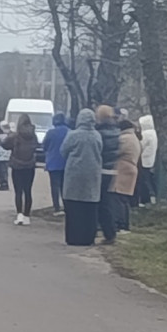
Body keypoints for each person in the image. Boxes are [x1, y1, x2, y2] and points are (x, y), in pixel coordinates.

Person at [61, 109, 104, 246]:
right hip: (93, 174)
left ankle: (74, 237)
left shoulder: (73, 135)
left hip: (74, 174)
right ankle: (88, 237)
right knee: (90, 207)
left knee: (74, 207)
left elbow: (63, 151)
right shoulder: (97, 135)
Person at [2, 114, 38, 225]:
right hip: (30, 166)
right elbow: (36, 147)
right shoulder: (33, 135)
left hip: (17, 165)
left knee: (18, 191)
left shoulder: (15, 136)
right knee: (28, 191)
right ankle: (27, 216)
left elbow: (4, 144)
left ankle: (20, 215)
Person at [94, 105, 122, 244]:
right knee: (108, 202)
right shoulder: (116, 130)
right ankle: (110, 232)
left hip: (100, 169)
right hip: (112, 169)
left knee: (100, 203)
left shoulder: (99, 132)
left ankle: (108, 233)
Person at [110, 119, 141, 231]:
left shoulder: (125, 139)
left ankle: (121, 224)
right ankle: (124, 224)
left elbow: (116, 152)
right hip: (130, 169)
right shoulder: (133, 137)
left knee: (119, 198)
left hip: (123, 170)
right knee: (124, 198)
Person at [43, 112, 71, 215]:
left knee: (54, 185)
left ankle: (56, 207)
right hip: (66, 162)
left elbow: (44, 146)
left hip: (53, 162)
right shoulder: (69, 132)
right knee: (65, 186)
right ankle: (66, 206)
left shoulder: (51, 132)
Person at [137, 114, 159, 205]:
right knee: (150, 178)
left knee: (144, 180)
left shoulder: (145, 134)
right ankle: (154, 196)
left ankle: (147, 198)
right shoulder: (154, 133)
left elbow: (140, 145)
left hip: (144, 159)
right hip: (151, 159)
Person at [0, 121, 12, 191]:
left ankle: (4, 184)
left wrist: (0, 142)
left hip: (6, 155)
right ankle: (2, 183)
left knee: (3, 170)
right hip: (1, 155)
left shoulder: (9, 135)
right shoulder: (8, 135)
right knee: (1, 170)